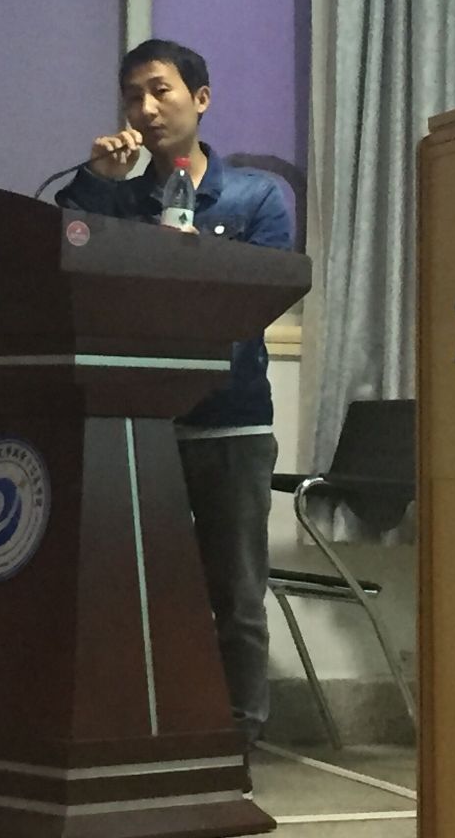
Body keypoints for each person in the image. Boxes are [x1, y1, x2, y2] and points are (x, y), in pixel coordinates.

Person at [56, 38, 293, 747]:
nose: (147, 108)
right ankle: (139, 727)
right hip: (136, 422)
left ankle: (237, 737)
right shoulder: (119, 198)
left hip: (229, 423)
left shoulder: (254, 196)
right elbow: (70, 256)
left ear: (201, 98)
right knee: (132, 589)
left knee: (236, 595)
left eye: (161, 90)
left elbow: (259, 297)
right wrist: (96, 181)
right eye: (134, 96)